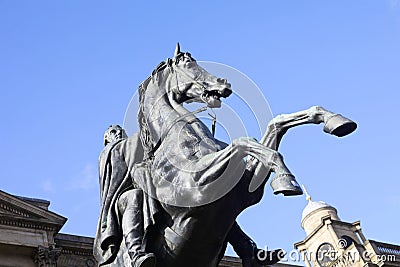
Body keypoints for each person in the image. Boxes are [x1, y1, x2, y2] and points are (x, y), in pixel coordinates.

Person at [94, 125, 156, 267]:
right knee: (133, 196)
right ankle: (136, 253)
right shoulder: (108, 153)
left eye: (120, 130)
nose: (118, 133)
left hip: (147, 190)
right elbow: (127, 148)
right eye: (112, 132)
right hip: (118, 201)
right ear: (107, 140)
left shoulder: (134, 147)